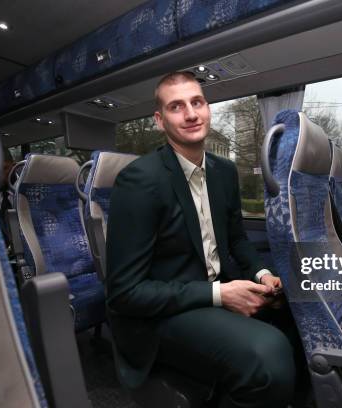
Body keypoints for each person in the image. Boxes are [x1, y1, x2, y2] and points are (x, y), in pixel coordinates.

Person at [106, 72, 298, 407]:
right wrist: (221, 294)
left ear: (207, 108)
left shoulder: (224, 171)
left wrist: (262, 275)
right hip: (163, 315)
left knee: (298, 308)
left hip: (212, 288)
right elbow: (125, 293)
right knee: (269, 354)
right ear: (159, 120)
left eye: (197, 102)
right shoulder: (139, 180)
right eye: (176, 107)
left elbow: (238, 241)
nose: (191, 113)